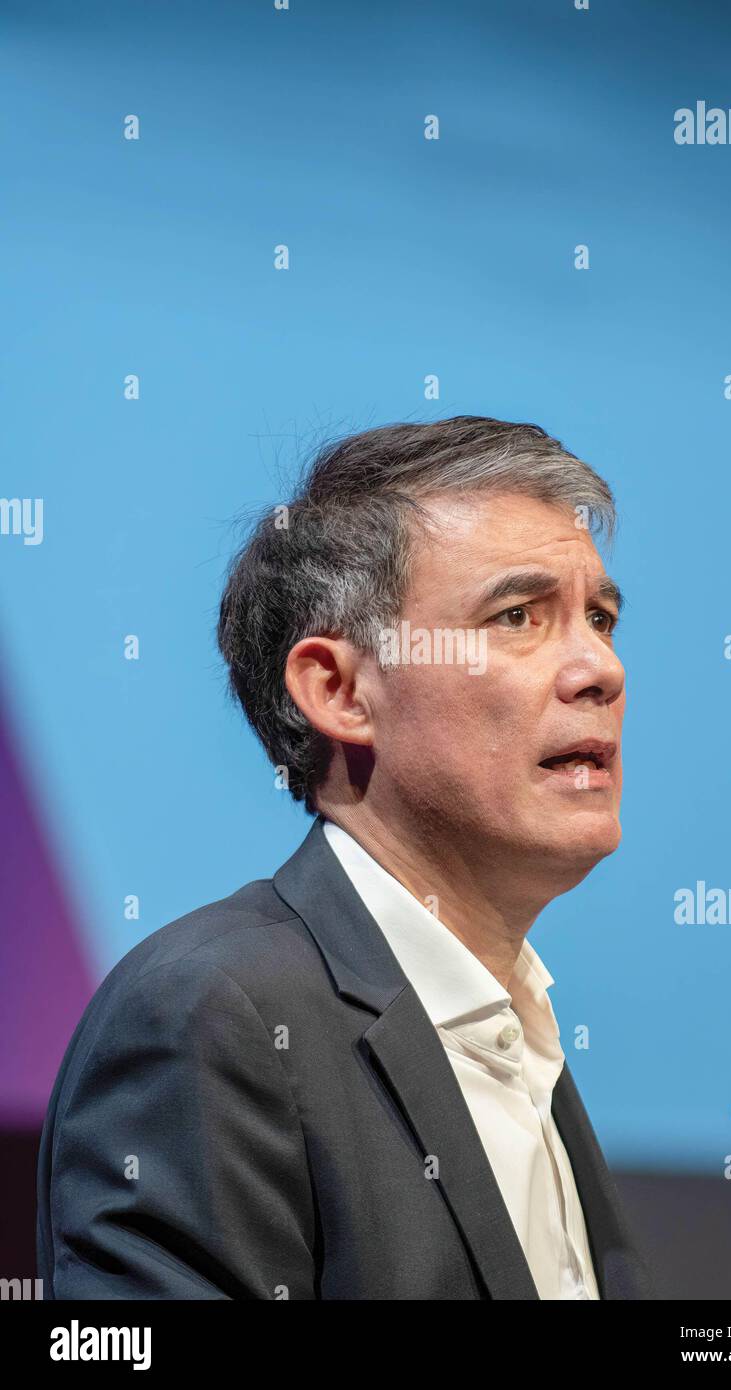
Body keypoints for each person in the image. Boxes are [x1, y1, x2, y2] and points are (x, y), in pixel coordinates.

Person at [36, 415, 656, 1300]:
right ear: (338, 691)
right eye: (517, 616)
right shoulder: (209, 1013)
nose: (600, 667)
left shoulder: (517, 1030)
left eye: (600, 617)